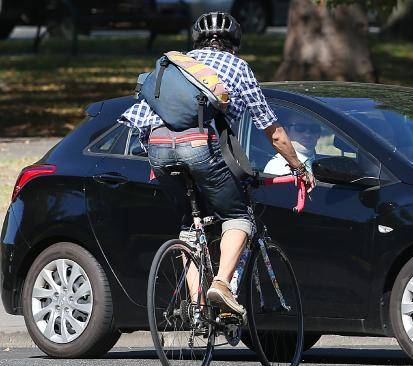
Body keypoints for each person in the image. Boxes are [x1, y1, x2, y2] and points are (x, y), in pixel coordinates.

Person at [116, 12, 314, 315]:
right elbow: (271, 130)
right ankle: (220, 285)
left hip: (158, 148)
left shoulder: (172, 65)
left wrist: (158, 159)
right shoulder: (237, 67)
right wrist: (298, 167)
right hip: (201, 148)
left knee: (190, 225)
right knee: (238, 216)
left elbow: (140, 119)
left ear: (197, 40)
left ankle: (196, 309)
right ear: (235, 42)